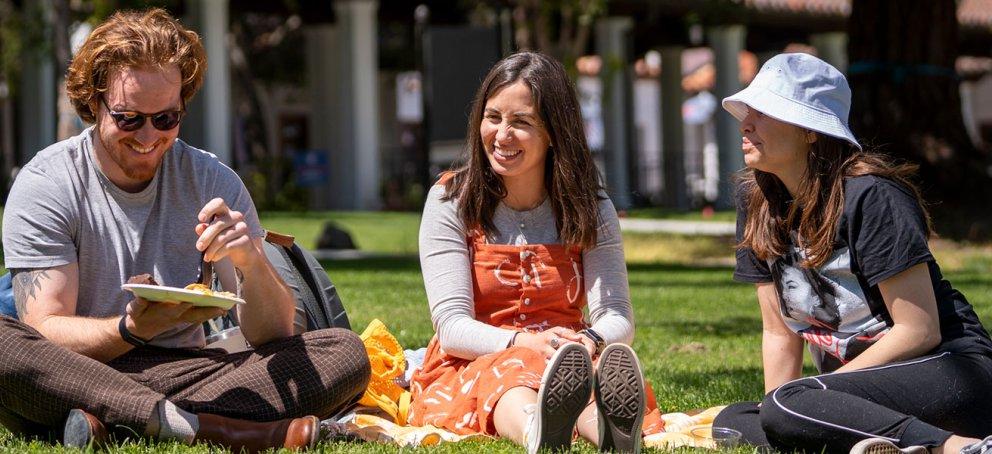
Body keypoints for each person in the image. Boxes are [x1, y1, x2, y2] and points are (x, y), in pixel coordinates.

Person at [0, 8, 370, 451]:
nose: (148, 136)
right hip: (80, 368)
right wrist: (129, 329)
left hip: (192, 369)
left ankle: (113, 420)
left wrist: (249, 261)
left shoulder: (212, 179)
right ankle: (210, 429)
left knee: (343, 352)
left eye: (166, 119)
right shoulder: (47, 183)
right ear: (93, 103)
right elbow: (45, 330)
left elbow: (274, 336)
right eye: (128, 118)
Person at [711, 52, 992, 454]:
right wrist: (782, 414)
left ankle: (955, 448)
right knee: (735, 420)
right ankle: (883, 441)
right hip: (862, 389)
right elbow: (778, 331)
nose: (746, 123)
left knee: (787, 404)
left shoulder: (871, 196)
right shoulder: (756, 202)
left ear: (811, 130)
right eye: (748, 110)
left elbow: (920, 329)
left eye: (766, 112)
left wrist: (802, 399)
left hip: (954, 371)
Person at [408, 51, 665, 454]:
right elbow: (452, 327)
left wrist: (589, 341)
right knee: (511, 375)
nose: (502, 135)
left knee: (587, 377)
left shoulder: (591, 208)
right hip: (477, 359)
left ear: (553, 133)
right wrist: (519, 343)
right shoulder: (450, 200)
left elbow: (616, 315)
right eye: (493, 118)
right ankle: (537, 430)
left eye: (521, 123)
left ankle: (613, 436)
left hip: (567, 356)